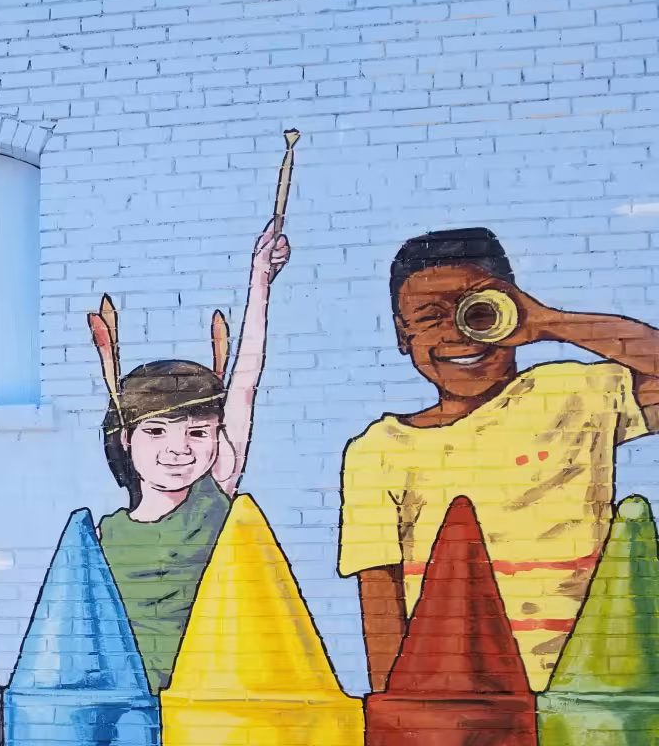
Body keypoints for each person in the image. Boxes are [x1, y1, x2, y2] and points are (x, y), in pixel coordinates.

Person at [340, 227, 659, 693]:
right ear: (401, 334)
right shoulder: (379, 450)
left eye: (479, 310)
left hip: (595, 686)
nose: (459, 332)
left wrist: (550, 322)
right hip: (462, 698)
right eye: (430, 317)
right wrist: (399, 716)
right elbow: (381, 597)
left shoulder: (572, 395)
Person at [94, 219, 291, 692]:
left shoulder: (211, 496)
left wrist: (259, 282)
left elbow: (244, 383)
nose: (178, 448)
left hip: (213, 701)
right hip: (132, 706)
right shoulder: (105, 536)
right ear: (126, 438)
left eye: (199, 432)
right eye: (156, 430)